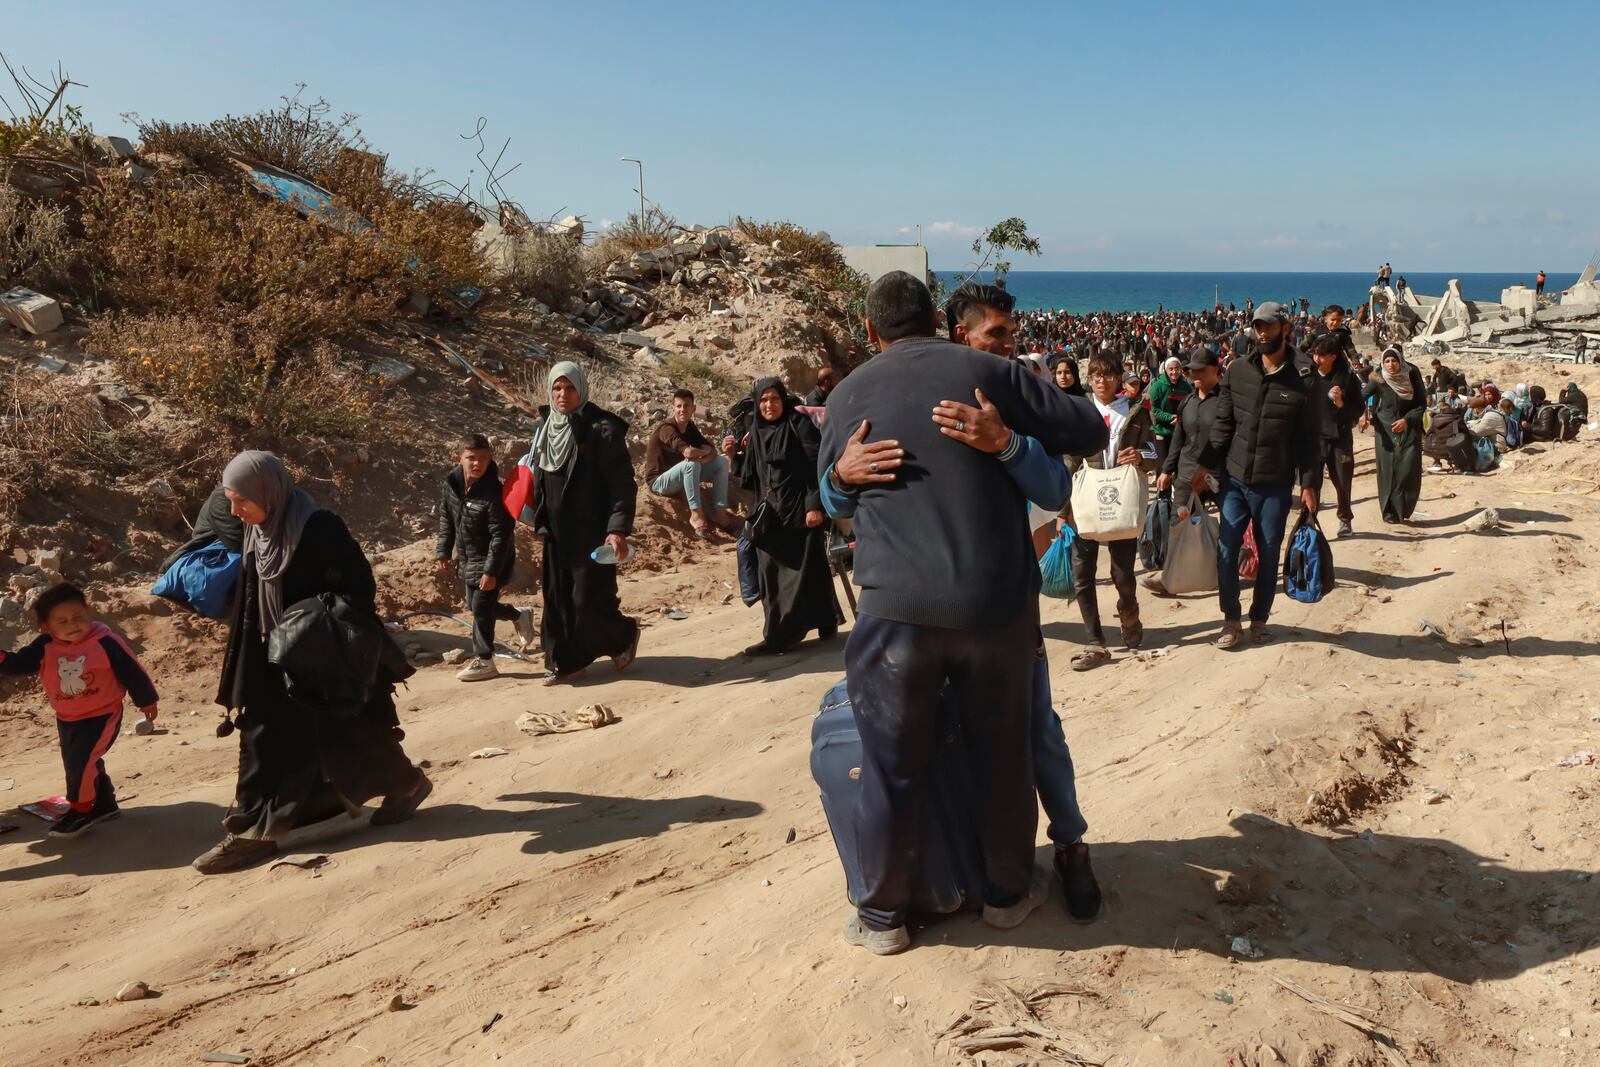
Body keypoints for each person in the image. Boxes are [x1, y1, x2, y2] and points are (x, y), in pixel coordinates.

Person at [817, 271, 1105, 954]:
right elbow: (1091, 428)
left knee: (890, 765)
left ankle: (884, 918)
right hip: (993, 609)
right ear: (940, 321)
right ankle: (1008, 895)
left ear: (869, 332)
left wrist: (838, 477)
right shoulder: (989, 374)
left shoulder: (845, 395)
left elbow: (832, 505)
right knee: (1005, 756)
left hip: (895, 615)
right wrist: (1009, 433)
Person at [195, 451, 430, 874]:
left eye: (241, 501)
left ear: (269, 491)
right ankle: (253, 830)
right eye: (230, 500)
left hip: (320, 658)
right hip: (272, 656)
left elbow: (359, 586)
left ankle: (406, 783)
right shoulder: (257, 531)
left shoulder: (319, 528)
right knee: (262, 737)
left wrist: (313, 623)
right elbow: (252, 598)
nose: (234, 511)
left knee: (346, 730)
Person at [1190, 302, 1321, 649]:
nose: (1261, 334)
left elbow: (1310, 438)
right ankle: (1231, 619)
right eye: (1256, 328)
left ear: (1284, 329)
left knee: (1267, 551)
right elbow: (1222, 426)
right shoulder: (1237, 371)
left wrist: (1310, 485)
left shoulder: (1305, 377)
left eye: (1267, 327)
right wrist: (1202, 467)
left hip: (1275, 482)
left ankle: (1259, 618)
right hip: (1233, 478)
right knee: (1227, 547)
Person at [0, 583, 157, 838]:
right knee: (82, 761)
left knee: (80, 764)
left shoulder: (106, 642)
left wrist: (147, 701)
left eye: (78, 617)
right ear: (46, 627)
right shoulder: (45, 645)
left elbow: (133, 672)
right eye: (61, 621)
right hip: (67, 717)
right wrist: (4, 659)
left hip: (103, 714)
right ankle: (105, 804)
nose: (73, 625)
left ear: (88, 613)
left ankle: (81, 811)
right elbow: (22, 663)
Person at [523, 361, 640, 687]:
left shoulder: (601, 430)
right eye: (557, 388)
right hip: (555, 534)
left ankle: (624, 635)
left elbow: (621, 484)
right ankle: (566, 663)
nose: (562, 394)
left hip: (591, 533)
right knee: (556, 600)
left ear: (582, 389)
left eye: (569, 388)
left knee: (588, 601)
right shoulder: (547, 428)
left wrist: (616, 529)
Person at [731, 377, 841, 655]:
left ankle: (800, 629)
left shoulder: (798, 424)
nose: (769, 405)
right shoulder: (755, 429)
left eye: (774, 399)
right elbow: (748, 477)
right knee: (773, 574)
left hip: (799, 512)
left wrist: (815, 505)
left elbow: (818, 465)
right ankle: (798, 628)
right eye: (764, 400)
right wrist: (734, 456)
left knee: (808, 569)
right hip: (769, 516)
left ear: (783, 399)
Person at [1069, 352, 1155, 670]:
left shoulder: (1134, 412)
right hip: (1086, 499)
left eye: (1107, 375)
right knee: (1083, 575)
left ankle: (1129, 619)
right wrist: (1064, 509)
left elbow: (1154, 450)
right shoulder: (1079, 412)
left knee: (1123, 574)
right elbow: (1068, 460)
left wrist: (1140, 457)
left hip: (1121, 499)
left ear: (1119, 378)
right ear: (1088, 379)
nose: (1100, 381)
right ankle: (1095, 642)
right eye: (1095, 375)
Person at [436, 433, 536, 682]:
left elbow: (501, 537)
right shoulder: (452, 485)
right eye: (471, 458)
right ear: (460, 459)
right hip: (468, 558)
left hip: (493, 559)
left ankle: (484, 660)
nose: (477, 464)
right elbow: (446, 519)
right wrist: (443, 550)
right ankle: (518, 615)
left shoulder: (495, 493)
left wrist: (491, 573)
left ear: (490, 458)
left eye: (483, 458)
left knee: (481, 607)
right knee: (475, 605)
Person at [1144, 346, 1223, 595]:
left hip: (1220, 475)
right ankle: (1171, 578)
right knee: (1178, 525)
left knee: (1231, 525)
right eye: (1191, 370)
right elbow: (1178, 438)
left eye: (1199, 370)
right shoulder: (1188, 401)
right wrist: (1166, 471)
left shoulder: (1226, 401)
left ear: (1215, 371)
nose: (1193, 374)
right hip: (1187, 474)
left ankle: (1230, 569)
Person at [645, 388, 734, 538]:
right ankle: (696, 516)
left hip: (683, 475)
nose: (682, 410)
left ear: (693, 408)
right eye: (678, 406)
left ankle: (719, 512)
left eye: (686, 406)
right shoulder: (666, 428)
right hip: (659, 481)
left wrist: (703, 456)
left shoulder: (689, 426)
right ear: (672, 408)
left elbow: (712, 449)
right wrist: (702, 454)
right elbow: (688, 453)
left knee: (721, 462)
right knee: (691, 464)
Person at [1307, 333, 1364, 538]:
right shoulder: (1308, 375)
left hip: (1340, 438)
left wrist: (1340, 403)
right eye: (1315, 354)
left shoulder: (1346, 378)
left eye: (1322, 355)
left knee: (1342, 481)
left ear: (1332, 356)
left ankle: (1345, 518)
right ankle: (1310, 520)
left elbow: (1358, 409)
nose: (1317, 359)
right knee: (1311, 482)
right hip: (1314, 439)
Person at [1363, 346, 1427, 523]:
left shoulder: (1412, 372)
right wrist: (1362, 413)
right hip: (1385, 428)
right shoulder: (1378, 377)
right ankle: (1389, 511)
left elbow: (1421, 403)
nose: (1390, 365)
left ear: (1401, 361)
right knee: (1387, 470)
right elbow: (1364, 395)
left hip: (1409, 427)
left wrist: (1407, 420)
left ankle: (1402, 509)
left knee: (1407, 469)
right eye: (1387, 361)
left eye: (1394, 361)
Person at [1147, 355, 1193, 469]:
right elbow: (1154, 410)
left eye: (1177, 368)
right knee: (1162, 467)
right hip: (1162, 432)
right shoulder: (1157, 386)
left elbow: (1190, 406)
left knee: (1179, 466)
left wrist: (1181, 420)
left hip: (1180, 432)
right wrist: (1169, 418)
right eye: (1171, 369)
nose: (1174, 372)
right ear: (1165, 370)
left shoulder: (1186, 387)